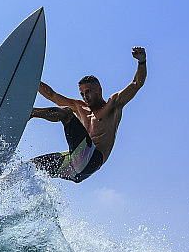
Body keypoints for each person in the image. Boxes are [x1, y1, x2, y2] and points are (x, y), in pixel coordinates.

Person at [28, 46, 147, 182]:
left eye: (88, 92)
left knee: (66, 112)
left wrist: (141, 61)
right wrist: (31, 79)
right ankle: (2, 182)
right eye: (82, 94)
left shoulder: (113, 105)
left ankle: (29, 113)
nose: (85, 97)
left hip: (92, 161)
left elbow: (137, 83)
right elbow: (51, 95)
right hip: (75, 167)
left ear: (99, 90)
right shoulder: (80, 108)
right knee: (31, 166)